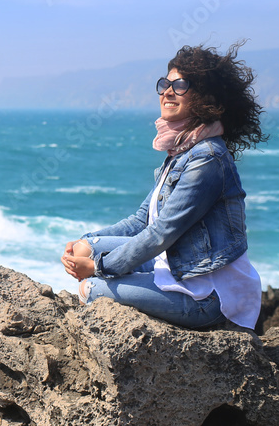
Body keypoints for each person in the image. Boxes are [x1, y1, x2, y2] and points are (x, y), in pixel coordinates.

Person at [61, 42, 267, 329]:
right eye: (165, 84)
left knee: (91, 289)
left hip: (211, 295)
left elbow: (161, 233)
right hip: (178, 268)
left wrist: (100, 268)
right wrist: (84, 243)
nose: (167, 92)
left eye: (180, 85)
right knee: (84, 248)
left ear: (205, 96)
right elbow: (140, 221)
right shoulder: (182, 151)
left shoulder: (207, 158)